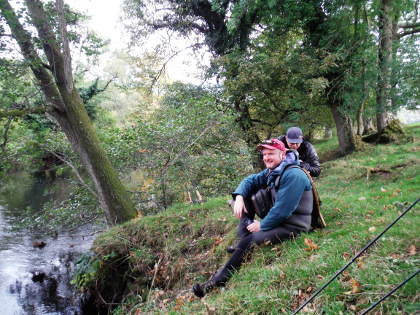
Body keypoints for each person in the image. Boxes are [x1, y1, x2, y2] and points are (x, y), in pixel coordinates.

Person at [192, 139, 314, 297]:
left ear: (283, 154)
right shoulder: (275, 169)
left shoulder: (293, 174)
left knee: (248, 242)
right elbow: (251, 180)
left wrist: (262, 226)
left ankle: (218, 280)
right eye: (264, 154)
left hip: (293, 226)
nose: (266, 157)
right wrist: (240, 197)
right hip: (281, 220)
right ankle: (243, 236)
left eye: (271, 153)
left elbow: (283, 210)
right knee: (248, 195)